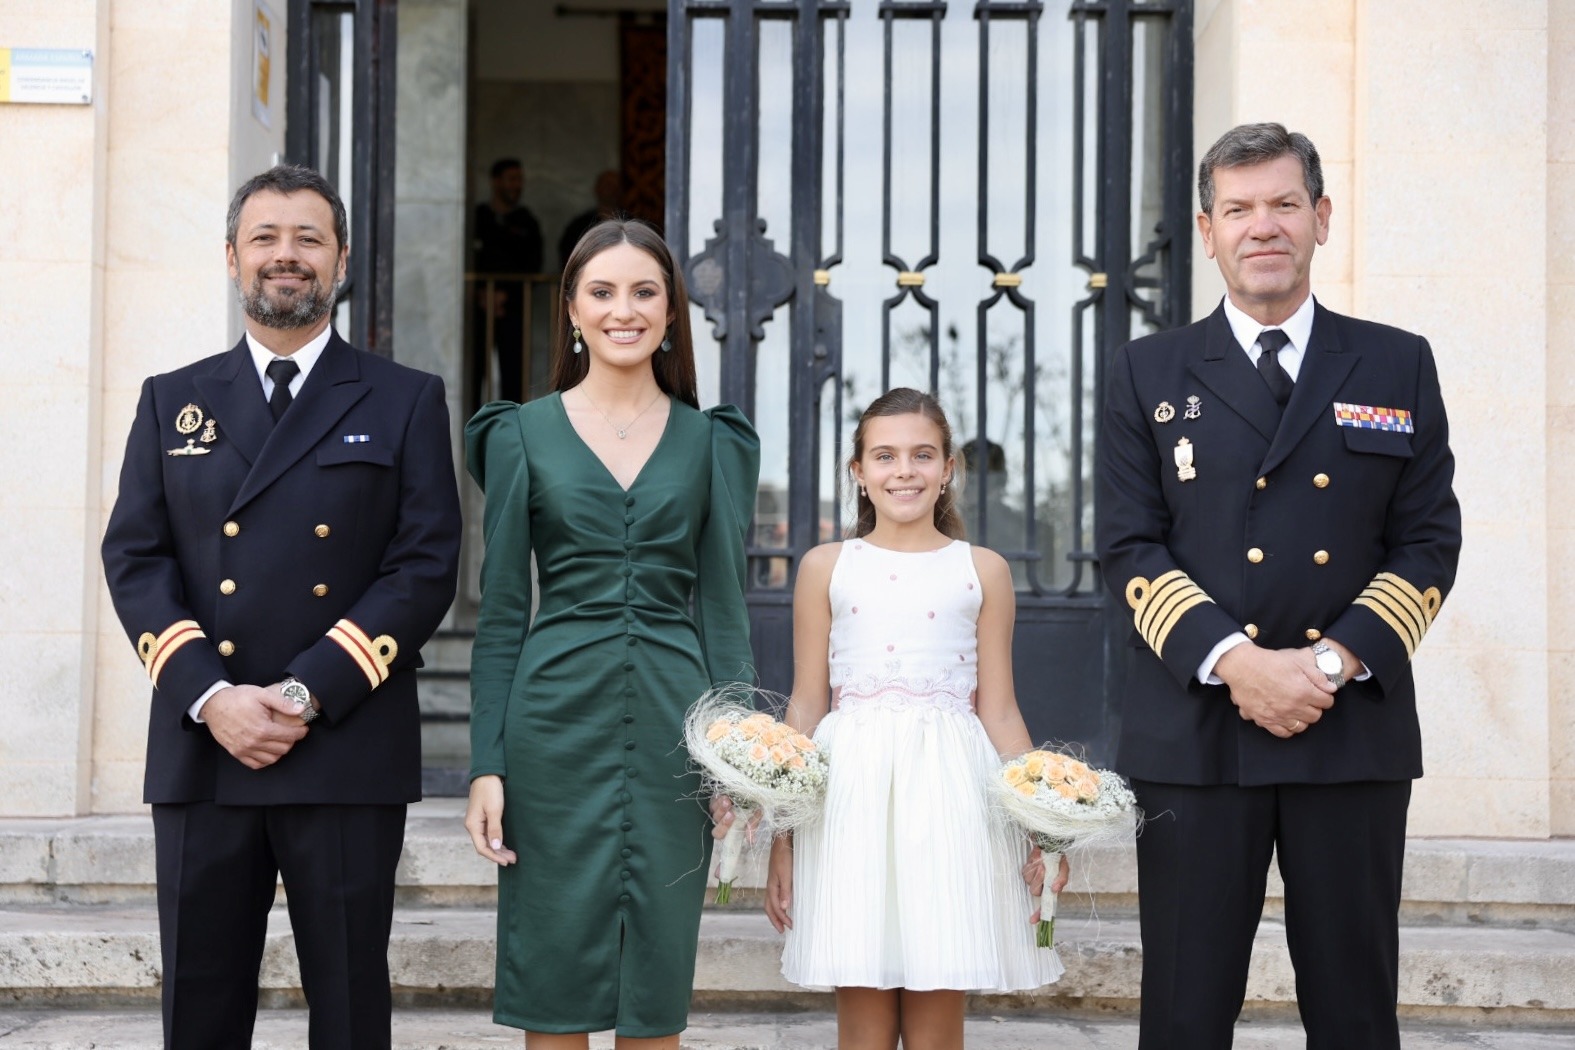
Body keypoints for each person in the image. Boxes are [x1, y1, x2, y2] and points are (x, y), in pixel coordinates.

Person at [1095, 123, 1461, 1049]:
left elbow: (1425, 544)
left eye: (1283, 204)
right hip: (1196, 732)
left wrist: (1327, 667)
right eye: (1238, 209)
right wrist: (1238, 664)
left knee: (1352, 1013)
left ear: (1320, 218)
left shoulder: (1394, 361)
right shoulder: (1147, 370)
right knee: (1183, 1011)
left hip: (1349, 732)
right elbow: (1130, 547)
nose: (1263, 226)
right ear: (1207, 230)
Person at [101, 164, 462, 1049]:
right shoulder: (171, 400)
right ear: (232, 258)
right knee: (200, 1001)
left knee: (346, 1006)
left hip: (344, 740)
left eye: (309, 238)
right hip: (204, 745)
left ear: (341, 263)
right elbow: (136, 559)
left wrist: (301, 695)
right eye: (265, 237)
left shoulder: (405, 397)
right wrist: (212, 697)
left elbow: (423, 564)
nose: (285, 256)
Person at [463, 218, 760, 1048]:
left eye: (644, 292)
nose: (622, 310)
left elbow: (726, 613)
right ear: (570, 310)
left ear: (671, 315)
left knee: (657, 985)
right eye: (602, 292)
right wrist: (487, 764)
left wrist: (735, 755)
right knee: (551, 983)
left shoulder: (712, 441)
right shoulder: (518, 432)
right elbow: (498, 619)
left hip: (677, 725)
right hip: (550, 731)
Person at [760, 388, 1068, 1050]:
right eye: (885, 456)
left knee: (937, 1004)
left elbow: (1001, 708)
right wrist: (780, 837)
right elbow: (807, 704)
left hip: (949, 795)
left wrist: (1043, 827)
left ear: (948, 467)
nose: (904, 471)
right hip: (850, 796)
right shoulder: (826, 567)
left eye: (922, 455)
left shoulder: (980, 570)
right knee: (862, 1009)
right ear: (858, 472)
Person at [472, 157, 545, 406]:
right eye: (511, 179)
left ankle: (511, 434)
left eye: (520, 180)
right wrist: (481, 294)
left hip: (514, 310)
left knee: (514, 374)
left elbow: (534, 265)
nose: (517, 185)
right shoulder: (478, 218)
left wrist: (505, 296)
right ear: (496, 182)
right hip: (477, 311)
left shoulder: (527, 221)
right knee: (473, 372)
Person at [558, 169, 624, 269]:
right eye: (607, 185)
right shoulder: (580, 225)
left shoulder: (631, 223)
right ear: (597, 189)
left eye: (615, 186)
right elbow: (569, 256)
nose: (611, 190)